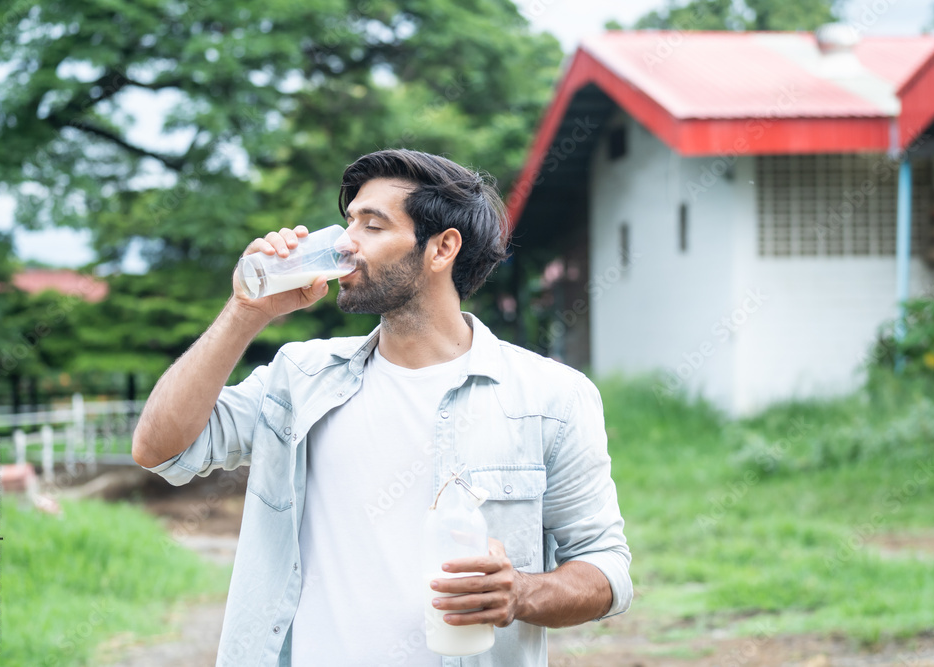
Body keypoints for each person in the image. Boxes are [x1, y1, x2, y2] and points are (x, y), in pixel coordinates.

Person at [133, 149, 632, 666]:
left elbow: (606, 570)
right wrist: (244, 311)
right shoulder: (300, 378)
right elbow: (160, 449)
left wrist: (520, 594)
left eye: (372, 226)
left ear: (442, 249)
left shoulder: (551, 397)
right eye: (349, 222)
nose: (345, 242)